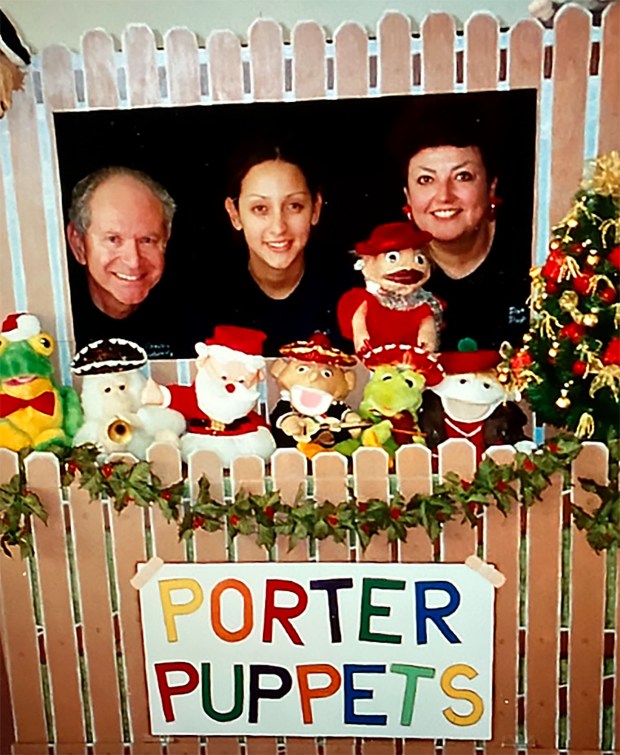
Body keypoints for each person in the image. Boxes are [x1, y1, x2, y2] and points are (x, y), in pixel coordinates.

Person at [395, 99, 531, 350]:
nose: (444, 195)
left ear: (491, 187)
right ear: (408, 197)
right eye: (426, 179)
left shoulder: (530, 252)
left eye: (462, 176)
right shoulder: (388, 271)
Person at [217, 138, 358, 356]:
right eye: (260, 208)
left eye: (294, 206)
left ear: (315, 209)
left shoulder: (353, 289)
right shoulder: (206, 302)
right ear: (234, 214)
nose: (278, 227)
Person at [66, 166, 182, 359]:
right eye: (113, 239)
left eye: (147, 240)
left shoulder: (192, 320)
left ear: (166, 240)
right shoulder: (58, 321)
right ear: (79, 244)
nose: (133, 261)